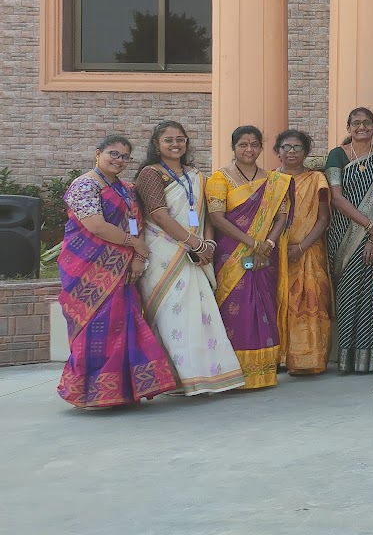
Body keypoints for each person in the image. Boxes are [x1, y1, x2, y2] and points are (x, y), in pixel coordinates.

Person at [56, 135, 180, 409]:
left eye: (125, 157)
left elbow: (137, 224)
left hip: (123, 269)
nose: (119, 160)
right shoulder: (84, 185)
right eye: (113, 153)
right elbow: (96, 226)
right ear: (98, 153)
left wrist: (137, 256)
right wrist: (134, 244)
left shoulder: (126, 188)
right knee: (94, 329)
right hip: (87, 269)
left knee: (123, 325)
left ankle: (123, 390)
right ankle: (90, 392)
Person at [132, 122, 245, 396]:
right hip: (164, 253)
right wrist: (193, 244)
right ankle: (176, 377)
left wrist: (207, 244)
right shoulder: (151, 174)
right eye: (168, 140)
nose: (175, 145)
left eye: (180, 140)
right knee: (173, 317)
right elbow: (159, 214)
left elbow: (204, 213)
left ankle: (207, 375)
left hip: (195, 252)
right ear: (156, 144)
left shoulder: (196, 174)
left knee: (200, 314)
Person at [206, 125, 292, 389]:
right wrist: (252, 243)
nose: (249, 149)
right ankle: (233, 372)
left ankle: (263, 372)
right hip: (231, 254)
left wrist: (267, 242)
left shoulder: (275, 181)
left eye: (254, 144)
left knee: (262, 306)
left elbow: (282, 216)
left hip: (266, 253)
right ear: (233, 147)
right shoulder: (219, 178)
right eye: (243, 144)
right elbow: (216, 218)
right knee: (234, 310)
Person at [327, 107, 373, 374]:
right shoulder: (338, 155)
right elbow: (336, 197)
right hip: (344, 232)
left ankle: (367, 360)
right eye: (356, 123)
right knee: (347, 294)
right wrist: (369, 226)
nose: (361, 127)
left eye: (366, 123)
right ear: (348, 127)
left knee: (370, 295)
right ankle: (346, 359)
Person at [272, 129, 333, 376]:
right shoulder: (270, 181)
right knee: (279, 302)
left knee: (311, 302)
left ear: (306, 152)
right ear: (278, 151)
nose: (291, 152)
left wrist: (302, 246)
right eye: (286, 147)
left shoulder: (315, 179)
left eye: (297, 148)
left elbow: (323, 217)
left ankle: (308, 359)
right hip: (276, 251)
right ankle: (279, 357)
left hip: (309, 250)